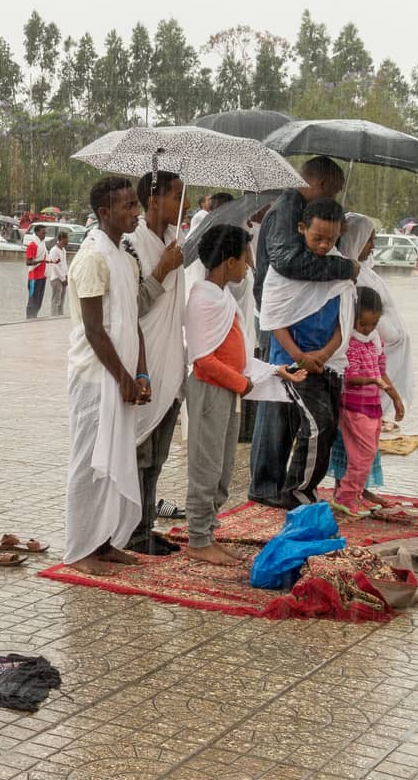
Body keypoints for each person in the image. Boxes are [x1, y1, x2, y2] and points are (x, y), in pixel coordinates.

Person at [184, 225, 307, 565]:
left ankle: (208, 531)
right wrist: (243, 384)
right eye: (245, 259)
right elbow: (202, 358)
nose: (249, 266)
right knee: (206, 466)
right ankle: (197, 538)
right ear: (228, 261)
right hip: (210, 392)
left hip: (228, 390)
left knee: (222, 469)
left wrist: (271, 371)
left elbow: (231, 354)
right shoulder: (202, 297)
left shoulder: (222, 296)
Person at [62, 177, 148, 576]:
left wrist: (141, 371)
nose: (136, 212)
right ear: (104, 213)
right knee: (89, 462)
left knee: (115, 458)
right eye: (128, 206)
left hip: (122, 375)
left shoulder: (126, 257)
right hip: (96, 378)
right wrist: (123, 377)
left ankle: (106, 540)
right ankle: (81, 546)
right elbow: (95, 329)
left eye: (136, 204)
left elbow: (134, 322)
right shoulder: (93, 257)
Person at [252, 198, 353, 509]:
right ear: (301, 229)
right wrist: (301, 357)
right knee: (316, 424)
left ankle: (304, 488)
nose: (324, 246)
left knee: (328, 425)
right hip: (292, 361)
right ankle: (298, 493)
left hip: (327, 361)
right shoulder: (285, 270)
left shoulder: (338, 266)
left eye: (331, 239)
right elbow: (273, 318)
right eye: (316, 238)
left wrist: (325, 352)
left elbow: (345, 318)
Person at [326, 215, 414, 503]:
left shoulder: (366, 271)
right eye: (369, 239)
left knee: (367, 440)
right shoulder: (352, 275)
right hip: (355, 392)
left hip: (375, 371)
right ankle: (347, 490)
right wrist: (375, 334)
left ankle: (360, 487)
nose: (373, 245)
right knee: (352, 441)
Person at [123, 172, 186, 554]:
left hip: (170, 362)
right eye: (177, 195)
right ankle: (132, 532)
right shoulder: (132, 246)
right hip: (143, 361)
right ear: (153, 199)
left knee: (157, 458)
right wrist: (163, 268)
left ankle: (147, 526)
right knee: (138, 456)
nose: (184, 203)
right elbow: (132, 306)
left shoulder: (170, 242)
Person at [334, 287, 405, 517]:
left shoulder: (375, 341)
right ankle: (345, 496)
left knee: (369, 453)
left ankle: (355, 495)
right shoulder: (349, 343)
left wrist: (395, 397)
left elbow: (381, 371)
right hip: (354, 408)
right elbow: (350, 377)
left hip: (372, 407)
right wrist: (372, 380)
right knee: (362, 455)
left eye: (372, 325)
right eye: (363, 324)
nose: (367, 330)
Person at [253, 157, 351, 310]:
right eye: (334, 192)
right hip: (278, 313)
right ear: (323, 184)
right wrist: (345, 268)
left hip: (290, 310)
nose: (334, 198)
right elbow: (288, 262)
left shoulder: (298, 207)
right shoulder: (287, 210)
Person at [25, 224, 49, 319]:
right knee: (32, 300)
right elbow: (28, 262)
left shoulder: (42, 244)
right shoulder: (33, 245)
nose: (45, 234)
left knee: (39, 300)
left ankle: (34, 317)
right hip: (34, 277)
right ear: (37, 232)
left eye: (45, 232)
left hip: (42, 276)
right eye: (43, 232)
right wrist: (41, 261)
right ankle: (29, 318)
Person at [46, 231, 70, 317]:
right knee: (56, 301)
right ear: (62, 239)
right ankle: (53, 318)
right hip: (56, 279)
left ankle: (60, 318)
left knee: (61, 301)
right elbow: (55, 266)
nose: (68, 240)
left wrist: (66, 276)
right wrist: (63, 279)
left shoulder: (63, 250)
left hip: (63, 278)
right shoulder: (54, 250)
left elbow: (64, 264)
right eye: (67, 238)